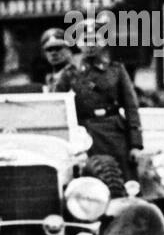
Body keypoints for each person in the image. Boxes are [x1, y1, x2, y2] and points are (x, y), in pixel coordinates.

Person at [54, 29, 144, 178]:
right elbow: (57, 107)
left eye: (95, 40)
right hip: (85, 137)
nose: (90, 45)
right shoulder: (69, 73)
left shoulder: (116, 70)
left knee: (123, 179)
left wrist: (135, 144)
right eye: (86, 40)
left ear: (103, 42)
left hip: (115, 136)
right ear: (78, 43)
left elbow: (131, 107)